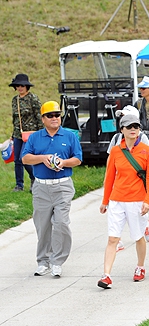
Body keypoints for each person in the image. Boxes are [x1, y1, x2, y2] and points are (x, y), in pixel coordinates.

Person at [21, 101, 82, 278]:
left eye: (57, 115)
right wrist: (43, 158)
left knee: (61, 223)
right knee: (43, 226)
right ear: (43, 119)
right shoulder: (35, 137)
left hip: (63, 185)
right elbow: (25, 158)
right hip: (41, 187)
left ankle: (57, 261)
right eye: (50, 115)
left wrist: (63, 162)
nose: (55, 118)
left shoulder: (69, 136)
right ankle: (43, 261)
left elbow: (77, 159)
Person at [97, 113, 149, 289]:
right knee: (113, 238)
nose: (133, 130)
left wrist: (147, 201)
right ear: (122, 129)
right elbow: (109, 177)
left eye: (136, 127)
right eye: (129, 127)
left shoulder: (147, 151)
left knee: (138, 237)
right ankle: (106, 275)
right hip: (117, 200)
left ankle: (140, 266)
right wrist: (105, 200)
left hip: (137, 200)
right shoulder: (116, 151)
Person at [9, 73, 42, 192]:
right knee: (17, 159)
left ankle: (35, 179)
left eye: (22, 85)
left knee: (24, 157)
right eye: (18, 85)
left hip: (31, 134)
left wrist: (40, 133)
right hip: (18, 134)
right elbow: (15, 119)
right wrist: (13, 133)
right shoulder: (15, 100)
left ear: (27, 86)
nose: (20, 88)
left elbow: (39, 117)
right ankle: (19, 185)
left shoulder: (33, 98)